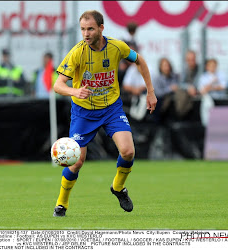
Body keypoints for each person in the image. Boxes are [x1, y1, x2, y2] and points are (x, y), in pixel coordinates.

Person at [52, 10, 157, 217]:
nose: (86, 33)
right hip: (83, 112)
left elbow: (140, 61)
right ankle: (61, 203)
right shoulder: (77, 52)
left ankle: (118, 188)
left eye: (90, 28)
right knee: (77, 161)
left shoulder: (117, 47)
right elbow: (58, 85)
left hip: (111, 109)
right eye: (83, 29)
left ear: (101, 28)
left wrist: (150, 92)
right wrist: (75, 90)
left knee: (128, 152)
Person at [198, 58, 228, 126]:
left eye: (214, 66)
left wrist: (211, 88)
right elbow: (202, 91)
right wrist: (212, 82)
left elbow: (223, 87)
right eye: (211, 66)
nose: (213, 68)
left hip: (220, 101)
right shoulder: (203, 77)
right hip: (208, 102)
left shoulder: (221, 74)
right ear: (207, 67)